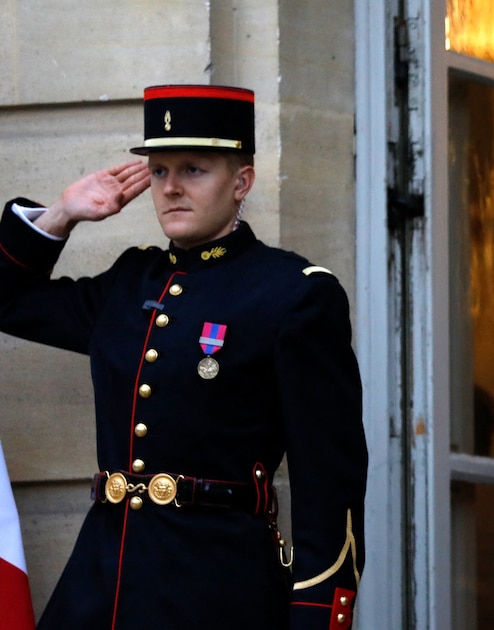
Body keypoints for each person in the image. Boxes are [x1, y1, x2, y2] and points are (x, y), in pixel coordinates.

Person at [0, 85, 367, 629]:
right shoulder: (129, 282)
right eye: (159, 171)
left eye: (193, 170)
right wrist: (61, 214)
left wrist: (316, 615)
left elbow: (329, 486)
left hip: (218, 591)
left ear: (241, 182)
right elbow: (9, 302)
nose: (171, 188)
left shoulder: (294, 293)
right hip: (101, 588)